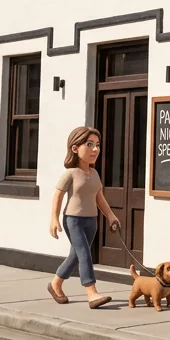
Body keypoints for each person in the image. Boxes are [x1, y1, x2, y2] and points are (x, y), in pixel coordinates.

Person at [48, 126, 120, 309]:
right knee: (85, 255)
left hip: (91, 221)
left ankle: (55, 284)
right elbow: (58, 195)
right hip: (74, 220)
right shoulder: (70, 174)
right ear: (75, 148)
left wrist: (111, 216)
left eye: (97, 145)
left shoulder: (94, 174)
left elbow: (99, 197)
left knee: (75, 256)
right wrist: (54, 219)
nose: (95, 149)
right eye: (89, 144)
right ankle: (92, 292)